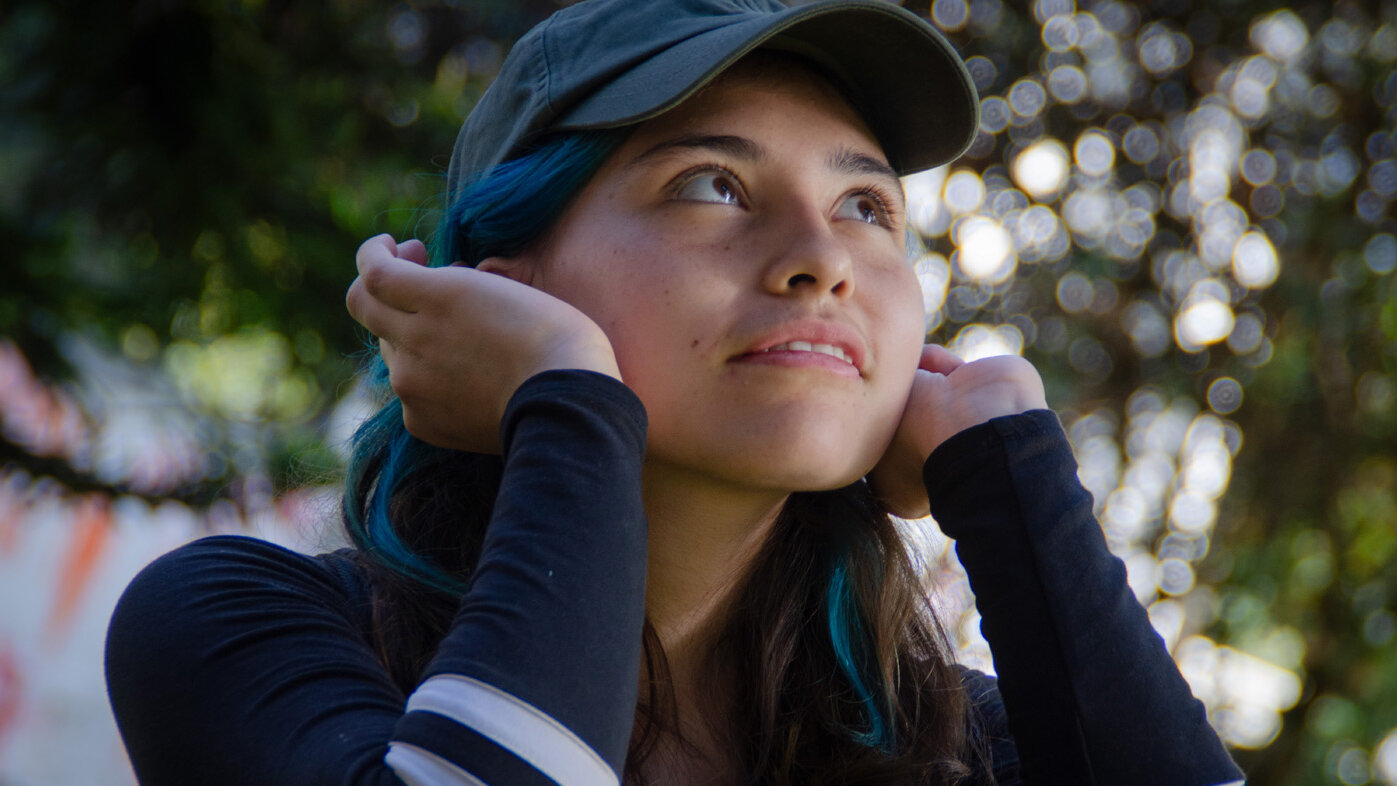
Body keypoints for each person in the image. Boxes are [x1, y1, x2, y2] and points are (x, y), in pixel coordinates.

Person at [105, 1, 1247, 784]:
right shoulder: (242, 628)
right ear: (500, 294)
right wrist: (564, 396)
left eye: (865, 206)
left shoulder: (955, 742)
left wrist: (1008, 480)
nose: (821, 258)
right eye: (711, 184)